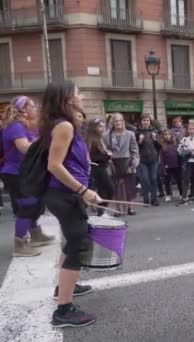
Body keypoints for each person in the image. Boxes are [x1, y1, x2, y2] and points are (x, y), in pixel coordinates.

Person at [40, 82, 96, 327]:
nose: (81, 96)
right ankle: (63, 310)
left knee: (74, 241)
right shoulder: (63, 126)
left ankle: (62, 287)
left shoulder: (62, 124)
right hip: (64, 194)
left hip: (63, 194)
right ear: (68, 100)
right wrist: (83, 190)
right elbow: (54, 165)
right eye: (77, 93)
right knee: (79, 244)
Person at [0, 96, 53, 256]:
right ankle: (20, 243)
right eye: (32, 106)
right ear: (23, 110)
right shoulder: (16, 126)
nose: (36, 108)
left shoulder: (30, 127)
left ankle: (36, 234)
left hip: (27, 173)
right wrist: (45, 144)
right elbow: (24, 147)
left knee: (36, 204)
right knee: (28, 206)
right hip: (15, 174)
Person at [104, 113, 139, 216]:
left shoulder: (130, 134)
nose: (118, 123)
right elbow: (104, 150)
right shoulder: (106, 135)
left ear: (123, 122)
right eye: (116, 121)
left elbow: (134, 150)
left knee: (129, 186)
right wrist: (107, 157)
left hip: (127, 161)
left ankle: (130, 207)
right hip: (113, 162)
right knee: (115, 186)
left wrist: (134, 162)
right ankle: (118, 209)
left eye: (120, 121)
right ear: (113, 123)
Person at [85, 118, 113, 217]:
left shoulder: (99, 139)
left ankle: (100, 211)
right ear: (94, 128)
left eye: (104, 126)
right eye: (100, 126)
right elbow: (92, 157)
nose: (103, 129)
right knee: (109, 189)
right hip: (96, 169)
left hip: (101, 168)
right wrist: (107, 156)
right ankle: (100, 210)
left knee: (104, 190)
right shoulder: (91, 140)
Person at [136, 114, 161, 206]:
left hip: (154, 158)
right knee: (145, 179)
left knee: (154, 179)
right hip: (143, 159)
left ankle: (154, 199)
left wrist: (155, 139)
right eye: (144, 120)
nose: (146, 122)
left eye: (147, 120)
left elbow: (159, 146)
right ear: (141, 122)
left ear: (150, 121)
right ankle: (146, 199)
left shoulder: (154, 131)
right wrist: (140, 141)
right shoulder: (137, 131)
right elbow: (135, 146)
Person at [160, 129, 183, 202]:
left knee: (179, 180)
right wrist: (163, 167)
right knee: (167, 181)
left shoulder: (176, 144)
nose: (167, 136)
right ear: (163, 136)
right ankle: (168, 194)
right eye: (165, 134)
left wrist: (181, 165)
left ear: (171, 135)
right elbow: (162, 158)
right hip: (167, 166)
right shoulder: (163, 146)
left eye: (168, 134)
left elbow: (179, 155)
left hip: (176, 165)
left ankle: (182, 194)